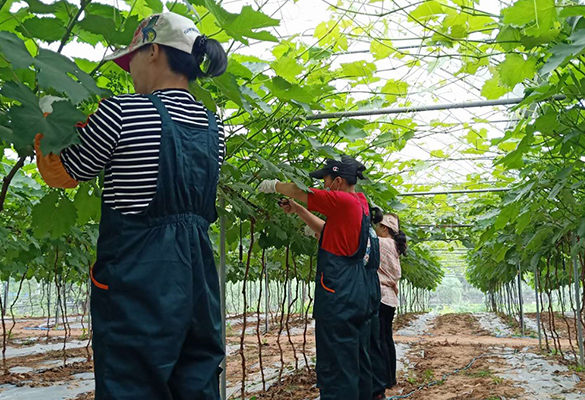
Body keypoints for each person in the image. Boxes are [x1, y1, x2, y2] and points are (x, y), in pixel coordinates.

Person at [34, 12, 228, 399]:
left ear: (153, 51)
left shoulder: (120, 112)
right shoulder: (213, 127)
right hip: (198, 280)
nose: (130, 71)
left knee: (132, 383)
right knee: (196, 379)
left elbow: (64, 173)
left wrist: (45, 124)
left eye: (132, 59)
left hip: (139, 280)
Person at [258, 155, 371, 400]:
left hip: (338, 293)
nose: (323, 187)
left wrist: (271, 184)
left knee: (335, 363)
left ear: (338, 181)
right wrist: (299, 211)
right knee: (352, 358)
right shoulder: (359, 203)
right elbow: (326, 230)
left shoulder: (341, 201)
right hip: (353, 289)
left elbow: (299, 190)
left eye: (326, 181)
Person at [375, 213, 407, 392]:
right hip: (390, 299)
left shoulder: (380, 243)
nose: (375, 229)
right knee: (387, 338)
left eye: (377, 225)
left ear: (384, 228)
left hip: (379, 296)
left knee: (379, 339)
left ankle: (383, 380)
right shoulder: (394, 245)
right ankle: (390, 378)